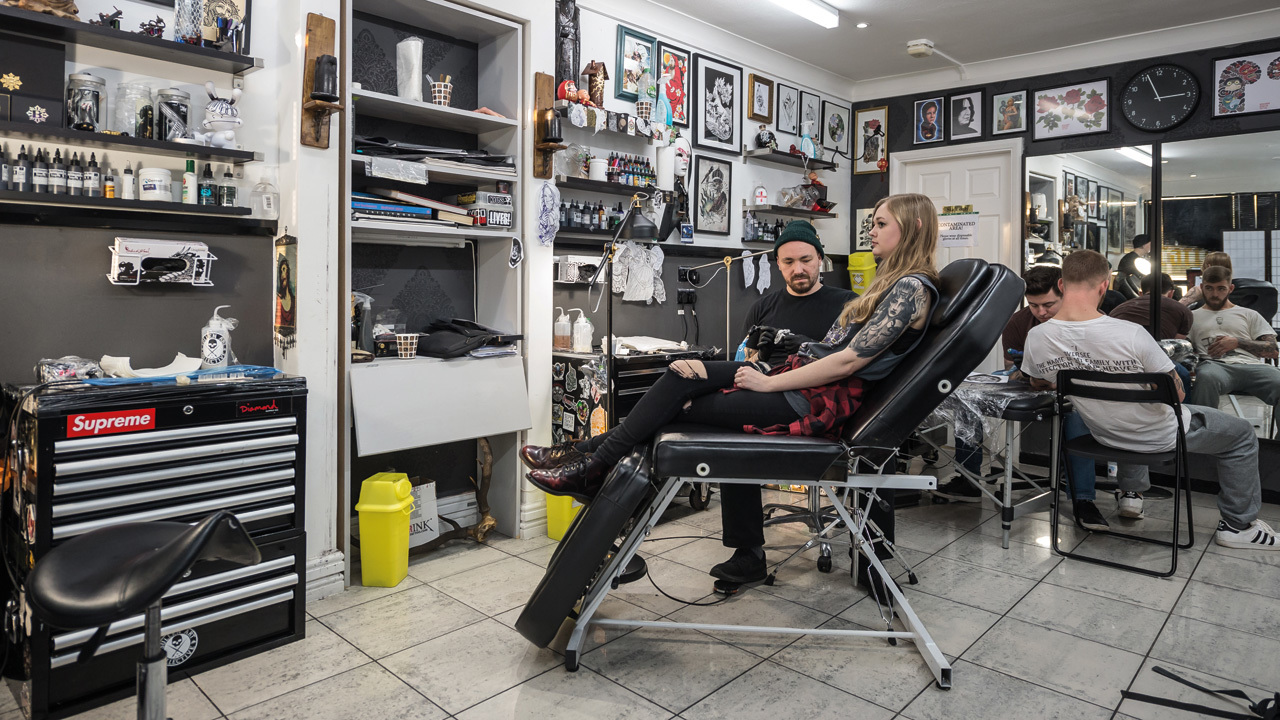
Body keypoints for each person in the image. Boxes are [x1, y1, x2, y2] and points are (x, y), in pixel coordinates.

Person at [520, 193, 944, 584]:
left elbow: (849, 361)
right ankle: (591, 456)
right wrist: (760, 366)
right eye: (873, 222)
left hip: (811, 397)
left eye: (881, 223)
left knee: (680, 406)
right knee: (681, 372)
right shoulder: (892, 285)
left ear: (914, 226)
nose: (871, 230)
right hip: (795, 374)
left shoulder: (910, 288)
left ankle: (592, 462)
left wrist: (769, 381)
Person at [1022, 250, 1276, 550]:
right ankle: (1239, 526)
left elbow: (1038, 380)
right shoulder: (1131, 335)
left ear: (1062, 285)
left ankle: (1132, 495)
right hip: (1158, 436)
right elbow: (1177, 394)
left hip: (1105, 434)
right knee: (1243, 435)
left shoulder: (1037, 338)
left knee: (1130, 412)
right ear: (1105, 286)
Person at [933, 265, 1108, 529]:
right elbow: (1009, 366)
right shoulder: (1018, 322)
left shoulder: (1089, 319)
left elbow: (1101, 372)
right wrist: (1027, 376)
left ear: (1063, 291)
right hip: (1032, 384)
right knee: (968, 399)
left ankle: (1083, 499)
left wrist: (1057, 381)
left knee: (1076, 417)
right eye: (1033, 305)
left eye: (1048, 304)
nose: (1040, 313)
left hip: (1078, 390)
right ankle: (967, 479)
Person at [741, 221, 856, 367]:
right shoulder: (761, 308)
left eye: (806, 260)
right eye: (788, 262)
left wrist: (812, 348)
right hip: (766, 383)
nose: (798, 270)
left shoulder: (848, 304)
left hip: (818, 386)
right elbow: (740, 365)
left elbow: (855, 361)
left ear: (819, 259)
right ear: (778, 263)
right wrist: (761, 356)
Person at [1187, 265, 1280, 411]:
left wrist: (1237, 342)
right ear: (1202, 287)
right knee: (1206, 378)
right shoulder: (1191, 317)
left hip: (1252, 366)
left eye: (1221, 288)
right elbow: (1184, 348)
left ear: (1230, 288)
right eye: (1209, 288)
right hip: (1215, 366)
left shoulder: (1249, 314)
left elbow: (1273, 350)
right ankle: (1204, 430)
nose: (1215, 294)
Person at [1110, 272, 1194, 388]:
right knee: (1183, 375)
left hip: (1115, 359)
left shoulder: (1118, 309)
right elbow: (1176, 348)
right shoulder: (1183, 310)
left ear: (1140, 293)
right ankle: (1181, 407)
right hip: (1152, 362)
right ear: (1171, 293)